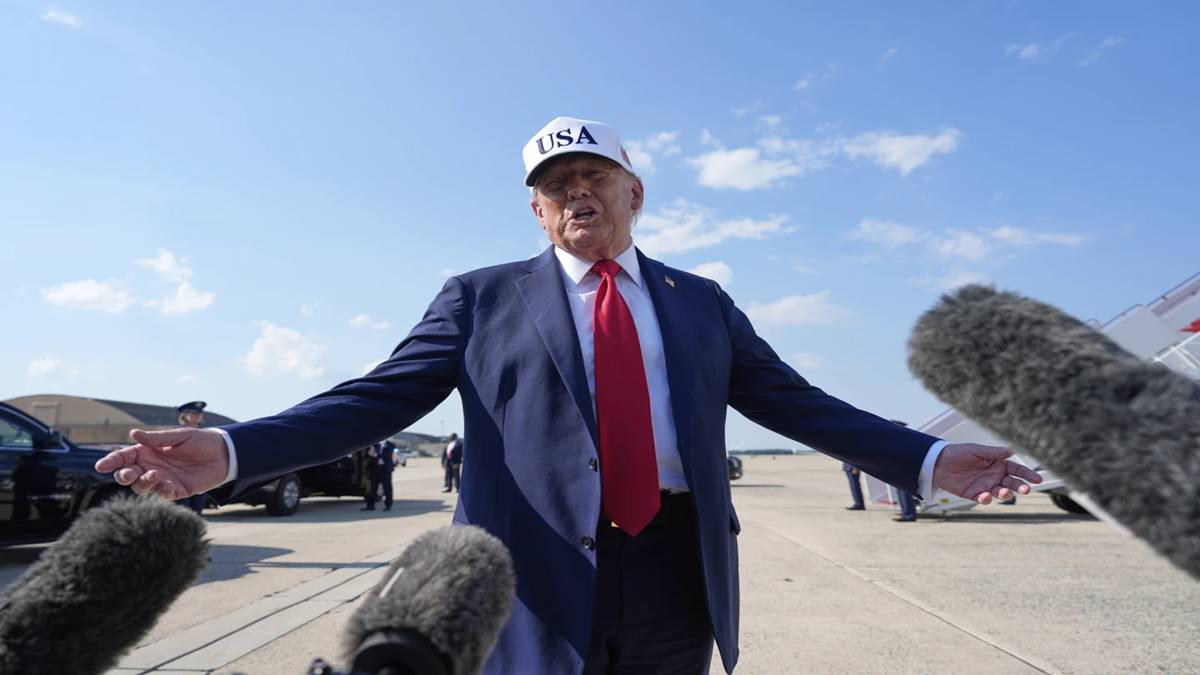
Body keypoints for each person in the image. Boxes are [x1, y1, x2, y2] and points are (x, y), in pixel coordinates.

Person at [96, 116, 1042, 675]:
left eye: (593, 174)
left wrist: (925, 457)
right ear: (536, 211)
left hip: (676, 570)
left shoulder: (700, 302)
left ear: (636, 191)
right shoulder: (479, 297)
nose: (575, 190)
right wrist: (230, 450)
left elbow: (798, 404)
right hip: (534, 575)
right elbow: (374, 401)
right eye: (555, 184)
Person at [173, 401, 209, 515]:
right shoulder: (177, 433)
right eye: (193, 413)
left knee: (197, 512)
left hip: (200, 479)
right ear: (185, 415)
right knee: (181, 513)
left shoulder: (207, 434)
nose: (197, 415)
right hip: (181, 478)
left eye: (199, 413)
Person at [362, 439, 396, 511]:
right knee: (372, 488)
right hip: (376, 469)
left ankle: (388, 505)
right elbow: (369, 454)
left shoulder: (390, 445)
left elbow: (387, 454)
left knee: (387, 488)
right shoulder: (375, 444)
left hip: (385, 469)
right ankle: (370, 505)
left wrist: (376, 454)